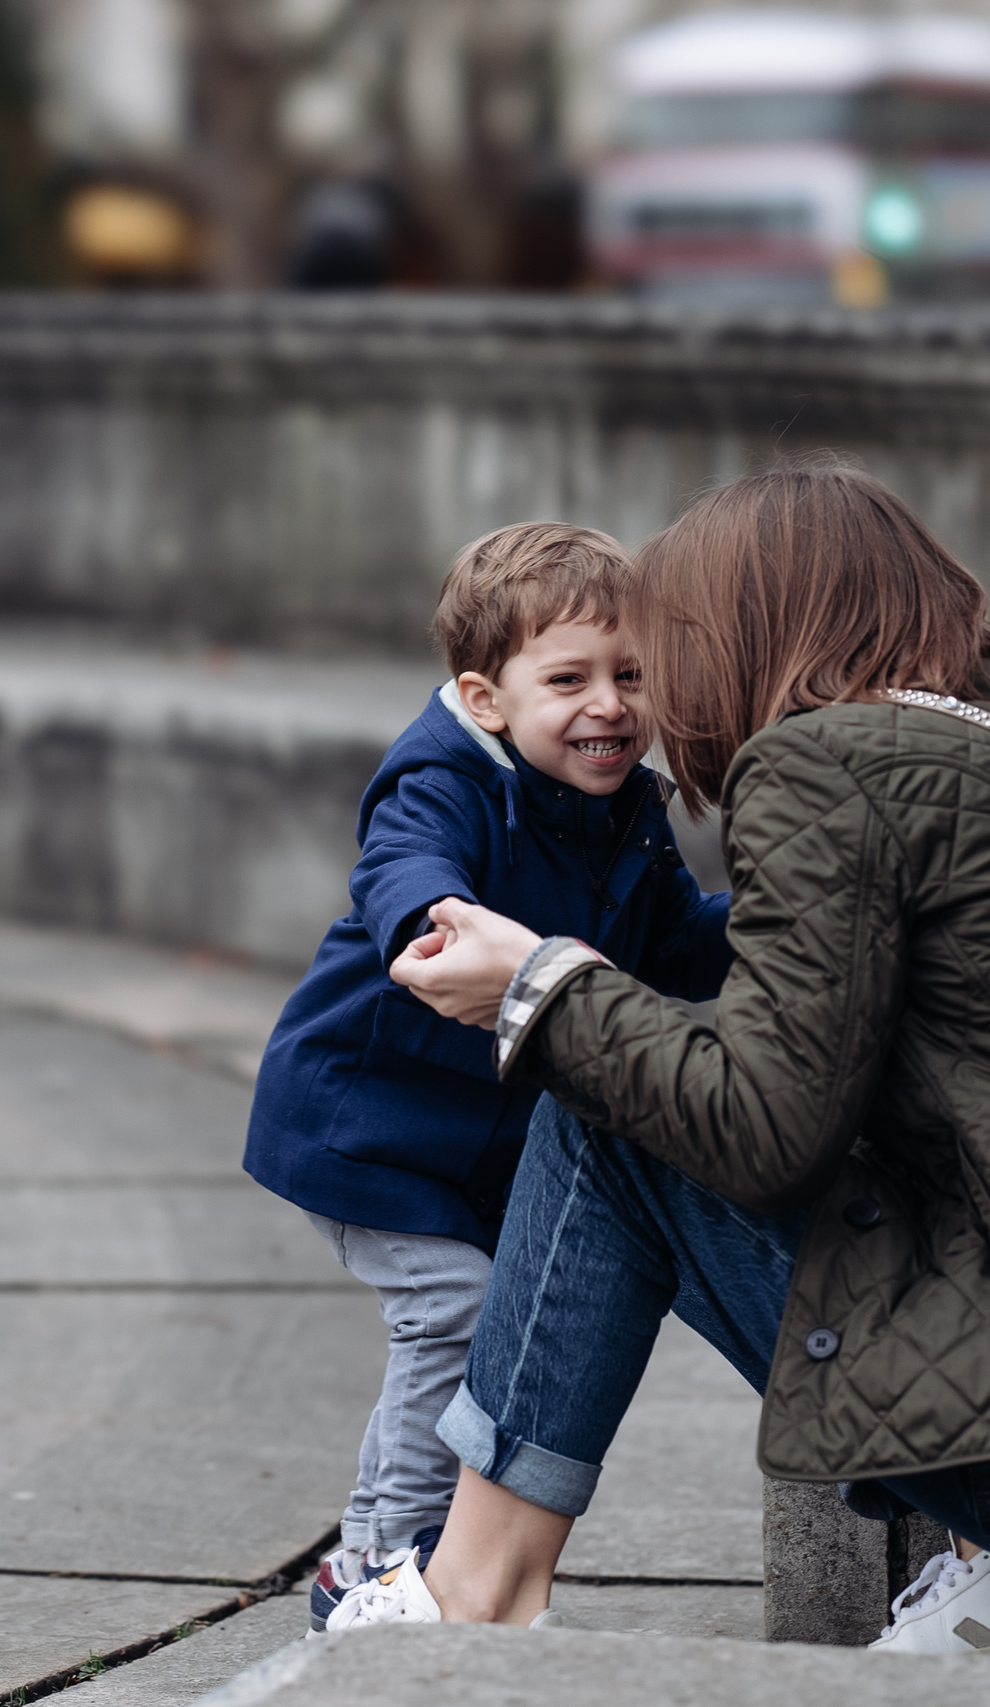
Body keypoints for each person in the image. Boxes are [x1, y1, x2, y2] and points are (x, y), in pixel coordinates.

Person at [334, 463, 990, 1658]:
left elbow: (764, 1131)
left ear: (738, 629)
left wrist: (536, 987)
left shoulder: (820, 764)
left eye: (661, 655)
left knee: (599, 1101)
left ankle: (471, 1594)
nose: (656, 694)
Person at [243, 522, 734, 1634]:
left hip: (483, 1136)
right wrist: (432, 918)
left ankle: (426, 1552)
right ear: (486, 697)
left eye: (630, 675)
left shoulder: (622, 815)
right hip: (367, 1125)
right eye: (568, 679)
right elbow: (398, 863)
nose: (607, 704)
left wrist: (784, 921)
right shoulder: (446, 779)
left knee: (517, 1313)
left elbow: (671, 946)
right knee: (452, 1312)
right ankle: (373, 1558)